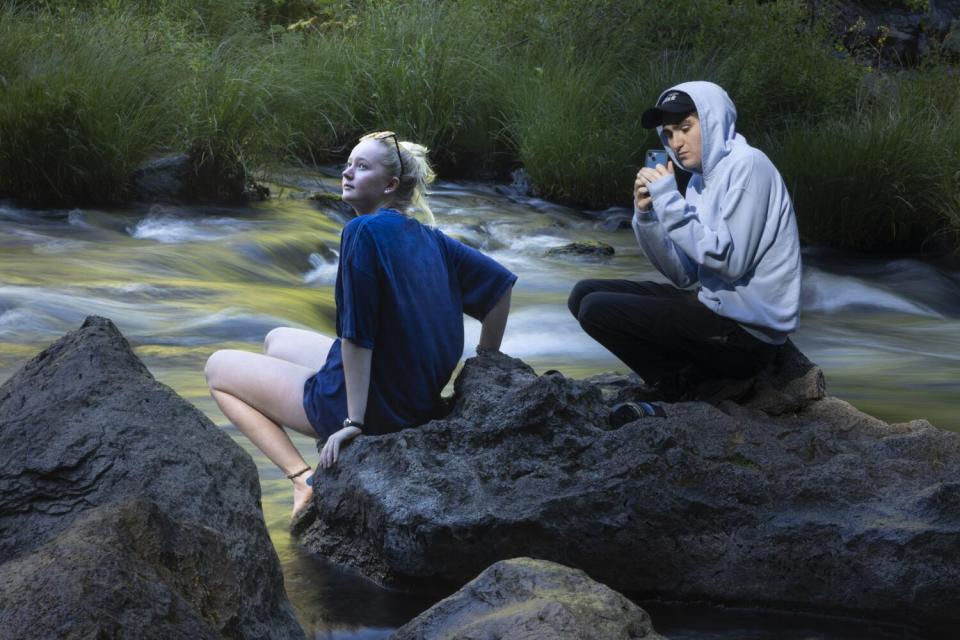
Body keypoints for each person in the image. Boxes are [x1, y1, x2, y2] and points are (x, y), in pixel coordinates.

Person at [205, 131, 516, 519]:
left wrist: (354, 421)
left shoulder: (361, 231)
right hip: (415, 398)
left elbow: (357, 336)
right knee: (276, 338)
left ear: (389, 185)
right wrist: (487, 364)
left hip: (374, 409)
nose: (347, 173)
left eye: (362, 166)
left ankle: (301, 478)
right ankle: (321, 409)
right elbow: (500, 288)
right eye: (348, 164)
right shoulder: (433, 240)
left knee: (217, 367)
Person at [568, 81, 801, 412]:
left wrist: (669, 200)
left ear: (713, 120)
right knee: (582, 294)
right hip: (714, 309)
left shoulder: (749, 166)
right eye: (669, 134)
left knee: (597, 310)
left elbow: (729, 262)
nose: (676, 143)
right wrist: (647, 217)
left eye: (685, 128)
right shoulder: (697, 181)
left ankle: (692, 387)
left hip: (747, 335)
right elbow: (686, 276)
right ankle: (678, 379)